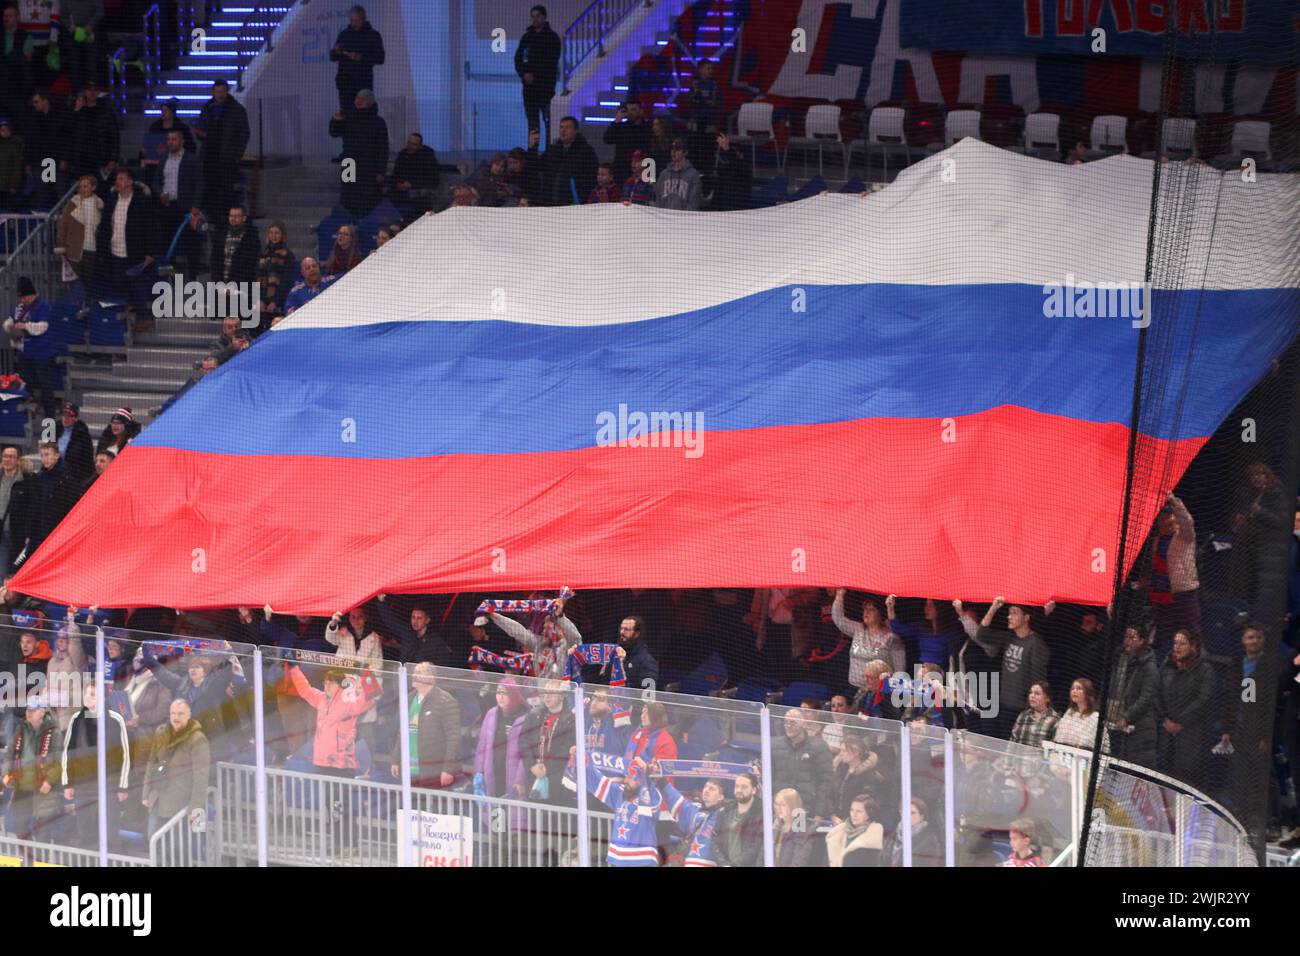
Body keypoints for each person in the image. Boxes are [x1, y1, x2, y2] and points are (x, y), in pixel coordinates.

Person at [958, 596, 1051, 739]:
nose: (1009, 617)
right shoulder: (1009, 637)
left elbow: (1038, 679)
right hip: (1004, 704)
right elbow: (982, 634)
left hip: (1022, 708)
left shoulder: (1036, 643)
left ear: (1026, 617)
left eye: (1014, 613)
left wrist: (1030, 707)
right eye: (1008, 613)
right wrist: (994, 607)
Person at [59, 683, 132, 850]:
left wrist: (122, 786)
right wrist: (67, 783)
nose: (87, 697)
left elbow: (125, 754)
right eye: (86, 693)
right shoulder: (76, 718)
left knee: (111, 832)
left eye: (92, 694)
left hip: (109, 785)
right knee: (85, 831)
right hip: (83, 784)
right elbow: (67, 752)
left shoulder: (115, 718)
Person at [94, 168, 159, 320]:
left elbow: (151, 227)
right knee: (120, 283)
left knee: (137, 285)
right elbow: (105, 226)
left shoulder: (141, 200)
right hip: (116, 250)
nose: (118, 181)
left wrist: (150, 252)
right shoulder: (112, 200)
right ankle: (130, 313)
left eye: (122, 179)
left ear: (130, 182)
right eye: (117, 179)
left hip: (135, 251)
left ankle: (143, 318)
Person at [384, 661, 460, 789]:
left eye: (419, 672)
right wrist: (395, 760)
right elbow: (402, 732)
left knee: (430, 808)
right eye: (414, 672)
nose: (414, 675)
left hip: (433, 771)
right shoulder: (408, 699)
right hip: (409, 770)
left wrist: (448, 769)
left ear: (431, 677)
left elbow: (453, 738)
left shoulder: (446, 701)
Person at [141, 698, 209, 837]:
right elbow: (151, 764)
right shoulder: (160, 732)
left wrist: (195, 808)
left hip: (181, 804)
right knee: (154, 842)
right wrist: (145, 793)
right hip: (157, 799)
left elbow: (201, 777)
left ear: (189, 714)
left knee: (178, 850)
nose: (176, 717)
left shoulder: (198, 739)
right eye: (173, 713)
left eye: (180, 713)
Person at [1156, 628, 1216, 783]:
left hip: (1191, 735)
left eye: (1182, 643)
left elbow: (1203, 699)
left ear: (1193, 646)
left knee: (1187, 780)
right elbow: (1156, 694)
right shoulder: (1167, 666)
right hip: (1167, 733)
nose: (1177, 647)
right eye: (1175, 643)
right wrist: (1165, 720)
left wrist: (1180, 722)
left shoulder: (1204, 669)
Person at [1146, 493, 1200, 656]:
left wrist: (1175, 502)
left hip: (1184, 593)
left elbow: (1187, 521)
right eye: (1162, 517)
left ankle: (1195, 665)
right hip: (1162, 596)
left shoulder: (1184, 535)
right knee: (1166, 636)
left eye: (1169, 516)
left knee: (1191, 634)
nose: (1166, 520)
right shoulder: (1157, 540)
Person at [145, 129, 203, 277]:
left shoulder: (191, 159)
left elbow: (199, 183)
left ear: (182, 141)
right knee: (167, 243)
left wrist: (195, 206)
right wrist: (160, 194)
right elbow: (156, 181)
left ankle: (193, 278)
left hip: (186, 208)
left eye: (174, 139)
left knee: (191, 244)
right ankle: (168, 277)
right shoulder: (164, 159)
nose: (170, 142)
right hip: (168, 207)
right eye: (169, 139)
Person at [2, 693, 58, 844]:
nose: (29, 713)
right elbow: (9, 754)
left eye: (33, 710)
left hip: (42, 791)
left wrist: (50, 780)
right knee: (21, 832)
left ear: (42, 712)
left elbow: (59, 761)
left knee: (42, 835)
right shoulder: (20, 728)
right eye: (28, 709)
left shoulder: (54, 732)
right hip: (22, 788)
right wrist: (6, 772)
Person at [7, 442, 77, 563]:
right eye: (42, 455)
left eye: (47, 454)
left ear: (57, 455)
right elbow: (33, 507)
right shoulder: (38, 478)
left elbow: (71, 508)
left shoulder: (67, 479)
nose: (44, 459)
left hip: (57, 532)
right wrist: (29, 532)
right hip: (38, 532)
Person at [828, 588, 907, 692]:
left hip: (879, 692)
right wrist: (840, 594)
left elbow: (900, 670)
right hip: (854, 689)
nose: (866, 612)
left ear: (880, 614)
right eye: (865, 609)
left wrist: (891, 693)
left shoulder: (892, 637)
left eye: (872, 609)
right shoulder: (858, 629)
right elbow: (838, 619)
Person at [194, 79, 250, 222]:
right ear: (213, 92)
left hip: (227, 159)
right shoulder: (207, 108)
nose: (220, 95)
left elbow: (244, 134)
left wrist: (236, 155)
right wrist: (201, 134)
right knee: (210, 189)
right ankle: (212, 218)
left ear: (227, 92)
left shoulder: (237, 110)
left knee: (226, 191)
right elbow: (199, 128)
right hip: (209, 157)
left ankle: (226, 219)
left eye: (222, 92)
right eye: (217, 92)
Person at [5, 275, 59, 417]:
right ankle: (28, 415)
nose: (23, 300)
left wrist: (25, 326)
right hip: (25, 353)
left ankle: (50, 417)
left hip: (42, 353)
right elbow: (9, 320)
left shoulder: (43, 306)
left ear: (32, 294)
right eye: (21, 298)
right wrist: (10, 326)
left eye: (25, 297)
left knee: (45, 385)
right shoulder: (20, 307)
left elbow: (43, 327)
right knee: (25, 383)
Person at [329, 89, 388, 218]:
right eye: (357, 98)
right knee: (347, 196)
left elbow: (383, 148)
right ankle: (347, 226)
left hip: (368, 165)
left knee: (367, 198)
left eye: (363, 99)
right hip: (349, 163)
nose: (358, 101)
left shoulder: (378, 122)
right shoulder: (349, 117)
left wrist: (381, 171)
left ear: (370, 103)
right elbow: (334, 133)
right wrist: (335, 120)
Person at [1106, 624, 1158, 766]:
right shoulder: (1119, 659)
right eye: (1126, 637)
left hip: (1138, 728)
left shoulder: (1149, 666)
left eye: (1132, 637)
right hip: (1113, 722)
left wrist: (1127, 717)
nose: (1127, 641)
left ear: (1141, 641)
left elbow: (1146, 697)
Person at [772, 707, 834, 822]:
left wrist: (819, 812)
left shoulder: (819, 747)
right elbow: (769, 778)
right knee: (778, 838)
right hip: (779, 808)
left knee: (797, 838)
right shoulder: (775, 745)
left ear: (804, 724)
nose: (788, 725)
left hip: (803, 809)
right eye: (786, 722)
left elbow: (825, 782)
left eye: (793, 722)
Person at [472, 678, 529, 800]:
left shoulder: (527, 717)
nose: (501, 697)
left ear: (514, 695)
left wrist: (520, 779)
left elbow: (528, 753)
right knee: (493, 815)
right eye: (499, 692)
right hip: (493, 773)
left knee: (513, 815)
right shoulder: (491, 714)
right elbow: (482, 745)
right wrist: (479, 771)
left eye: (505, 693)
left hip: (514, 778)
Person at [658, 775, 727, 867]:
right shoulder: (694, 810)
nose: (706, 790)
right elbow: (675, 798)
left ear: (721, 797)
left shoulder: (726, 815)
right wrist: (660, 779)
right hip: (689, 863)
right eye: (705, 787)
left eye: (712, 789)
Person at [530, 117, 598, 206]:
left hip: (573, 206)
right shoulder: (552, 150)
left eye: (567, 127)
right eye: (561, 127)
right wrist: (532, 148)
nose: (563, 130)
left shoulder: (586, 151)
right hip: (549, 205)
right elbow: (534, 168)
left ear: (575, 131)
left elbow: (592, 178)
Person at [330, 5, 385, 113]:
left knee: (364, 115)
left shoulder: (373, 35)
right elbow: (332, 56)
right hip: (345, 84)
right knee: (347, 115)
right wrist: (336, 52)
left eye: (357, 20)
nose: (354, 23)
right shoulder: (344, 35)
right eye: (352, 20)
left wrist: (360, 57)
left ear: (364, 19)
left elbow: (380, 58)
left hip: (363, 84)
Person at [515, 5, 560, 134]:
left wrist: (535, 74)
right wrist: (524, 74)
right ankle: (532, 153)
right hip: (529, 90)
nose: (535, 19)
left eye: (538, 16)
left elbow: (552, 62)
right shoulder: (526, 38)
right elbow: (518, 58)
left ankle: (549, 152)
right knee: (532, 124)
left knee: (549, 123)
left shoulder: (552, 38)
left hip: (545, 88)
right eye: (533, 16)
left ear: (544, 17)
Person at [24, 89, 69, 209]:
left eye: (37, 102)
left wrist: (64, 158)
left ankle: (66, 223)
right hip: (42, 161)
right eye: (33, 102)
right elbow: (30, 140)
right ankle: (45, 225)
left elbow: (65, 138)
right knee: (42, 194)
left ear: (45, 100)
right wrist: (28, 161)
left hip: (57, 161)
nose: (35, 105)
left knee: (61, 193)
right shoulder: (33, 117)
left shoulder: (59, 114)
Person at [54, 173, 102, 288]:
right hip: (74, 248)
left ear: (93, 187)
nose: (82, 189)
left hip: (91, 248)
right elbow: (63, 225)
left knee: (89, 280)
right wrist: (61, 246)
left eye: (85, 186)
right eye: (80, 187)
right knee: (76, 282)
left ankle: (87, 303)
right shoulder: (72, 203)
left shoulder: (99, 204)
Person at [69, 81, 118, 181]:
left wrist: (113, 158)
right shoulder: (78, 110)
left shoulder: (106, 110)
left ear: (98, 92)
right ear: (85, 92)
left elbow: (114, 135)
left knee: (101, 189)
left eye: (94, 90)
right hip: (81, 158)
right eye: (89, 90)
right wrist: (76, 111)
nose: (92, 92)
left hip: (101, 157)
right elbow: (68, 132)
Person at [713, 771, 763, 866]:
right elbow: (715, 840)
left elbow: (756, 847)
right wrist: (723, 863)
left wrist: (735, 865)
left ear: (754, 790)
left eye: (744, 787)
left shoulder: (762, 814)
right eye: (737, 786)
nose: (739, 790)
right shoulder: (725, 811)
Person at [829, 734, 881, 822]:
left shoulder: (868, 775)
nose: (840, 754)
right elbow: (830, 795)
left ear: (856, 752)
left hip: (857, 822)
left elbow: (867, 803)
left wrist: (849, 820)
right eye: (840, 750)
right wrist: (832, 815)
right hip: (836, 820)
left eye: (844, 751)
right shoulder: (839, 771)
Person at [256, 220, 296, 329]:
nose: (274, 236)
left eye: (277, 233)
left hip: (279, 300)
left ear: (282, 235)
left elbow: (286, 281)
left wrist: (275, 301)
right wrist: (260, 299)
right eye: (271, 233)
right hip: (262, 299)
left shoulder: (288, 255)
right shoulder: (263, 254)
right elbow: (257, 278)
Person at [209, 204, 259, 288]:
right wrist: (218, 283)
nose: (233, 219)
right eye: (231, 216)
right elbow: (214, 261)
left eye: (236, 216)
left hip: (241, 290)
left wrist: (235, 286)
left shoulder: (251, 238)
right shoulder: (221, 236)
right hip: (220, 289)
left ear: (244, 218)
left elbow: (250, 266)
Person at [826, 794, 883, 867]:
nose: (854, 814)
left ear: (869, 813)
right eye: (852, 810)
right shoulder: (839, 832)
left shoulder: (873, 835)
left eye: (859, 811)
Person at [1052, 678, 1108, 752]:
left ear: (1087, 693)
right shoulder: (1069, 713)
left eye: (1079, 688)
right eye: (1072, 689)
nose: (1074, 691)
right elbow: (1060, 737)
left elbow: (1094, 743)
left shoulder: (1095, 717)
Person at [390, 132, 439, 217]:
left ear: (420, 145)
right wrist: (398, 183)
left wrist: (411, 184)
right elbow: (395, 174)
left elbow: (431, 178)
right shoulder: (402, 155)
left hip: (419, 188)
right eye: (409, 143)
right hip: (401, 189)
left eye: (414, 144)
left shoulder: (427, 156)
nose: (410, 146)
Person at [603, 99, 651, 183]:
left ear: (641, 111)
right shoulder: (621, 127)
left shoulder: (648, 129)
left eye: (633, 110)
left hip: (641, 173)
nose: (630, 113)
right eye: (628, 110)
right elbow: (607, 139)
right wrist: (617, 121)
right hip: (621, 172)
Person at [888, 796, 943, 867]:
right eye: (904, 811)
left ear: (921, 816)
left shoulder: (929, 840)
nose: (907, 815)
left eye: (912, 813)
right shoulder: (893, 836)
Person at [654, 138, 702, 211]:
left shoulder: (693, 175)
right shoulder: (664, 174)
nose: (673, 152)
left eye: (677, 149)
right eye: (672, 149)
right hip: (664, 220)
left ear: (685, 152)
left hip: (683, 220)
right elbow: (658, 200)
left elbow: (693, 203)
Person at [625, 701, 676, 767]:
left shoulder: (666, 741)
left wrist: (646, 768)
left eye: (648, 713)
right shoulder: (636, 734)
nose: (643, 716)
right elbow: (625, 760)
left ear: (657, 716)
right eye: (643, 712)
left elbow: (667, 773)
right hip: (629, 776)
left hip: (647, 777)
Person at [1009, 681, 1059, 749]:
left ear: (1047, 698)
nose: (1032, 696)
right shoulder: (1023, 716)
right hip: (1019, 758)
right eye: (1030, 692)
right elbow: (1012, 742)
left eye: (1037, 694)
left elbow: (1054, 748)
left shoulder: (1054, 719)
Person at [772, 787, 815, 866]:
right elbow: (762, 857)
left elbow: (799, 863)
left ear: (793, 807)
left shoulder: (802, 830)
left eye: (783, 805)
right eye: (776, 804)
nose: (778, 809)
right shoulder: (775, 826)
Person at [0, 444, 24, 572]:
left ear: (18, 461)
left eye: (11, 457)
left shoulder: (25, 482)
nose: (7, 460)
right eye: (5, 456)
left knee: (6, 571)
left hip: (14, 533)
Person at [0, 116, 24, 208]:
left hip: (8, 187)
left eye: (6, 128)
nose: (5, 131)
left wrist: (14, 185)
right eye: (2, 129)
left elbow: (17, 166)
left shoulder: (16, 143)